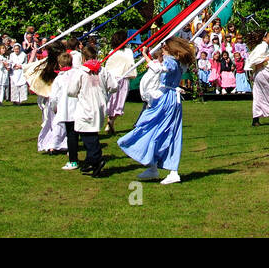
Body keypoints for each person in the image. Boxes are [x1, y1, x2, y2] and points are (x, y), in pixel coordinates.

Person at [118, 38, 196, 185]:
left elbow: (160, 68)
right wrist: (146, 55)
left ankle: (173, 172)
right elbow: (158, 66)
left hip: (167, 99)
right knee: (154, 129)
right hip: (167, 98)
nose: (162, 48)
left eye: (163, 46)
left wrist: (148, 56)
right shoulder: (177, 62)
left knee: (166, 132)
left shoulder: (171, 62)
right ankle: (153, 167)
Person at [65, 55, 117, 177]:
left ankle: (96, 159)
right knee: (91, 132)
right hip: (99, 105)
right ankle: (91, 163)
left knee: (86, 134)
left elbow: (71, 91)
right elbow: (114, 87)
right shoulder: (103, 70)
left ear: (84, 59)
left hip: (86, 105)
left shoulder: (80, 72)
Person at [36, 43, 69, 154]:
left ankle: (53, 144)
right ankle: (54, 145)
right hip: (58, 99)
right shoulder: (60, 69)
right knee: (58, 123)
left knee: (51, 123)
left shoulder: (47, 67)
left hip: (50, 100)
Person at [104, 32, 135, 135]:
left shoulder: (112, 52)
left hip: (112, 79)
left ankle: (110, 121)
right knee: (119, 101)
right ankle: (111, 121)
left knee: (111, 100)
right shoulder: (128, 51)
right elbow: (131, 64)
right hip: (123, 78)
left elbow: (108, 66)